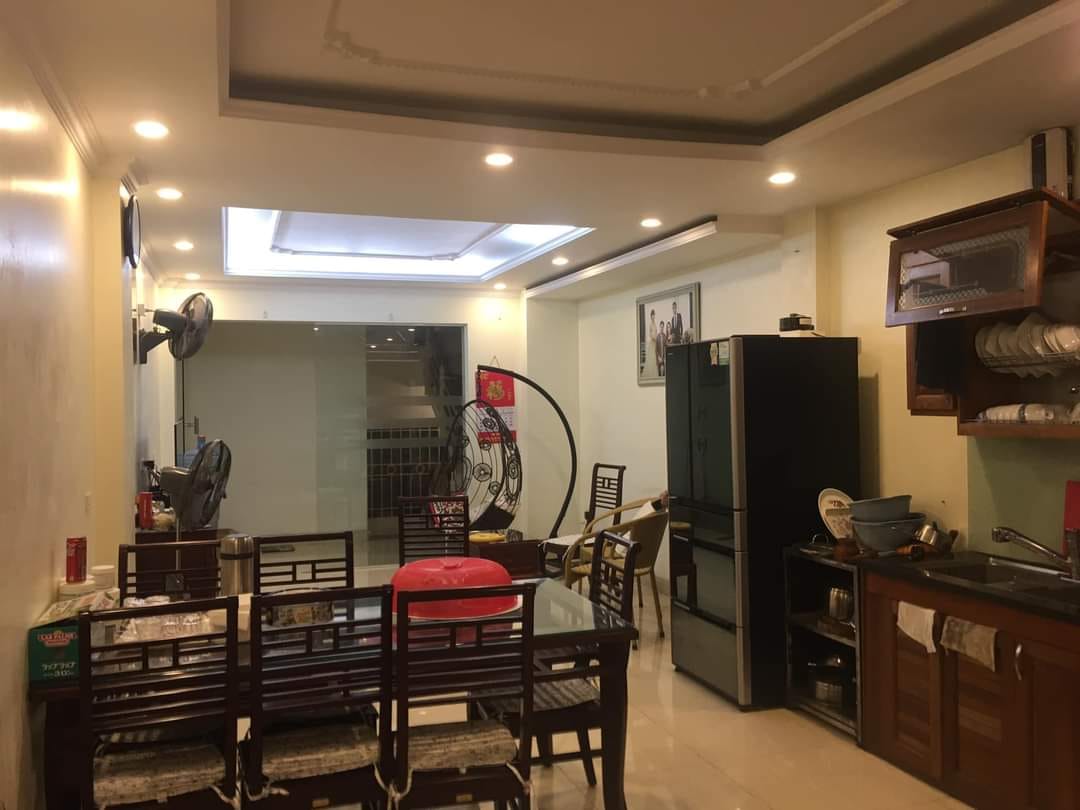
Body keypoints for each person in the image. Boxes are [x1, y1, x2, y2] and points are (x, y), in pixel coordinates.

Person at [645, 308, 657, 376]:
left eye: (654, 315)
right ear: (651, 316)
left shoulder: (655, 323)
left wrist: (656, 338)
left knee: (654, 357)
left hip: (655, 343)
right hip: (652, 342)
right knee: (651, 357)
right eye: (652, 315)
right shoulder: (650, 324)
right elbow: (650, 334)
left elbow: (656, 332)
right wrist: (653, 338)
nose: (653, 316)